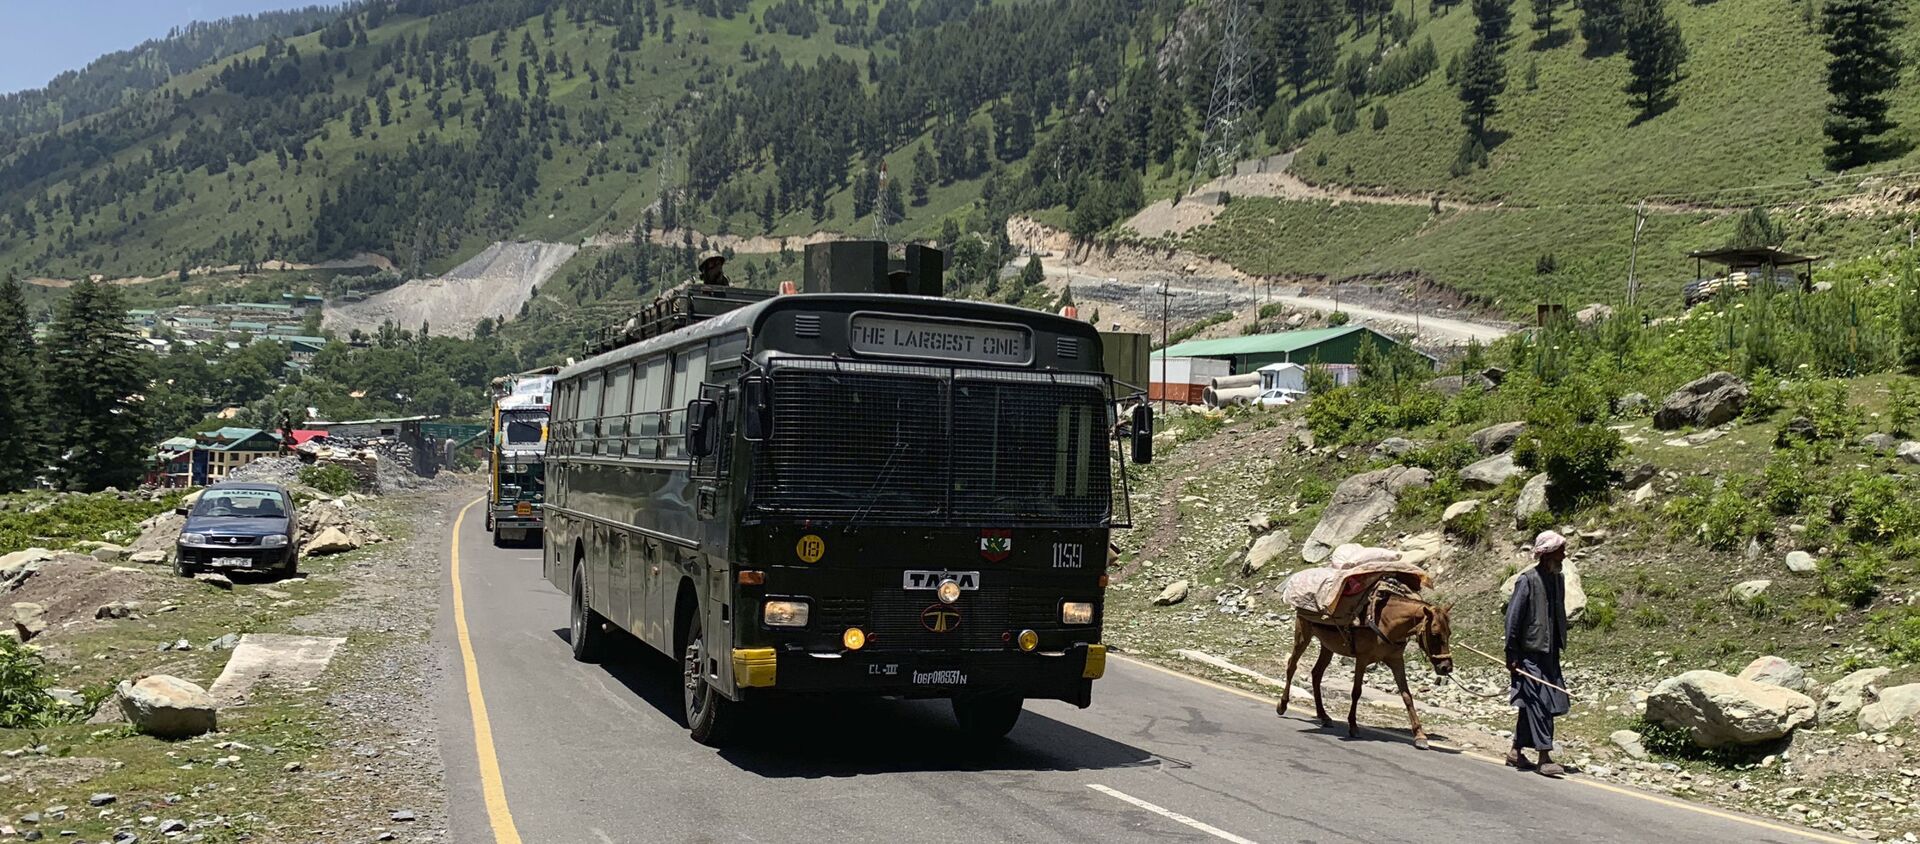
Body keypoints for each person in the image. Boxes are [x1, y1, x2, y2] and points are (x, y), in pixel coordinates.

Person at [1506, 529, 1571, 777]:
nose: (1564, 556)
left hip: (1550, 652)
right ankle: (1544, 756)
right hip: (1528, 654)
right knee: (1541, 702)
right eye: (1560, 552)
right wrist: (1511, 653)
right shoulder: (1527, 580)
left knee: (1533, 701)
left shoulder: (1558, 579)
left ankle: (1515, 751)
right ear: (1546, 555)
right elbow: (1513, 619)